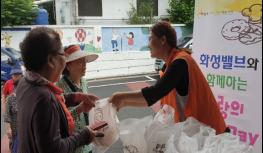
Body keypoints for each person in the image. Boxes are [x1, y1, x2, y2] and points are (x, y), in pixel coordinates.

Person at [109, 21, 228, 135]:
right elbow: (152, 99)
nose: (148, 44)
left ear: (163, 40)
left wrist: (120, 97)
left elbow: (154, 93)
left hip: (212, 135)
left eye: (150, 39)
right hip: (195, 135)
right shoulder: (168, 66)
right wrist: (124, 102)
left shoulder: (180, 63)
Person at [16, 27, 103, 153]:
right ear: (51, 60)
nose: (65, 59)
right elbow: (55, 149)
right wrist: (84, 136)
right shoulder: (44, 97)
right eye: (62, 54)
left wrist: (76, 97)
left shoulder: (25, 83)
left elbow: (54, 104)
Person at [56, 44, 98, 153]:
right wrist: (79, 109)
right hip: (72, 144)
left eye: (85, 61)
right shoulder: (58, 87)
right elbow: (61, 121)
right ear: (68, 66)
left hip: (87, 141)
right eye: (80, 62)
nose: (85, 65)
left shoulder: (84, 82)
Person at [4, 69, 22, 153]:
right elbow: (7, 115)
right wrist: (9, 129)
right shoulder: (10, 98)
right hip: (16, 129)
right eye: (15, 75)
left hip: (26, 129)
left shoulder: (27, 97)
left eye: (18, 74)